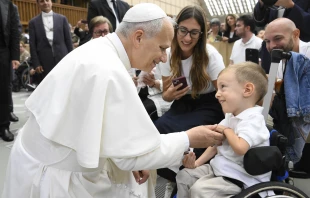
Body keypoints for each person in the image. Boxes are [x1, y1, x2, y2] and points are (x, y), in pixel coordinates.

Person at [2, 3, 225, 198]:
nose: (164, 57)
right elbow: (131, 156)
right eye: (162, 48)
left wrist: (135, 158)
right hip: (58, 177)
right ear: (138, 37)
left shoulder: (99, 49)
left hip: (39, 161)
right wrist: (188, 138)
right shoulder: (110, 71)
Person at [176, 62, 270, 198]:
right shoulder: (230, 117)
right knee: (184, 176)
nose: (217, 94)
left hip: (240, 178)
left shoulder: (254, 121)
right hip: (220, 170)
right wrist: (196, 164)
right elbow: (214, 146)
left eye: (223, 87)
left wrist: (227, 130)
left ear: (247, 90)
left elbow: (240, 148)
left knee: (200, 191)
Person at [264, 18, 310, 167]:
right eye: (267, 41)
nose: (271, 46)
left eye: (277, 39)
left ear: (296, 34)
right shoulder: (279, 60)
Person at [29, 0, 73, 79]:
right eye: (42, 1)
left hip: (63, 58)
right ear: (38, 4)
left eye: (47, 0)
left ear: (51, 2)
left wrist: (72, 59)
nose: (45, 3)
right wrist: (36, 63)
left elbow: (68, 41)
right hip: (44, 61)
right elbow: (32, 45)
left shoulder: (62, 19)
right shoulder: (33, 22)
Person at [0, 0, 20, 142]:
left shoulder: (9, 5)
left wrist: (15, 56)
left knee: (3, 90)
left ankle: (3, 126)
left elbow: (14, 31)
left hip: (3, 51)